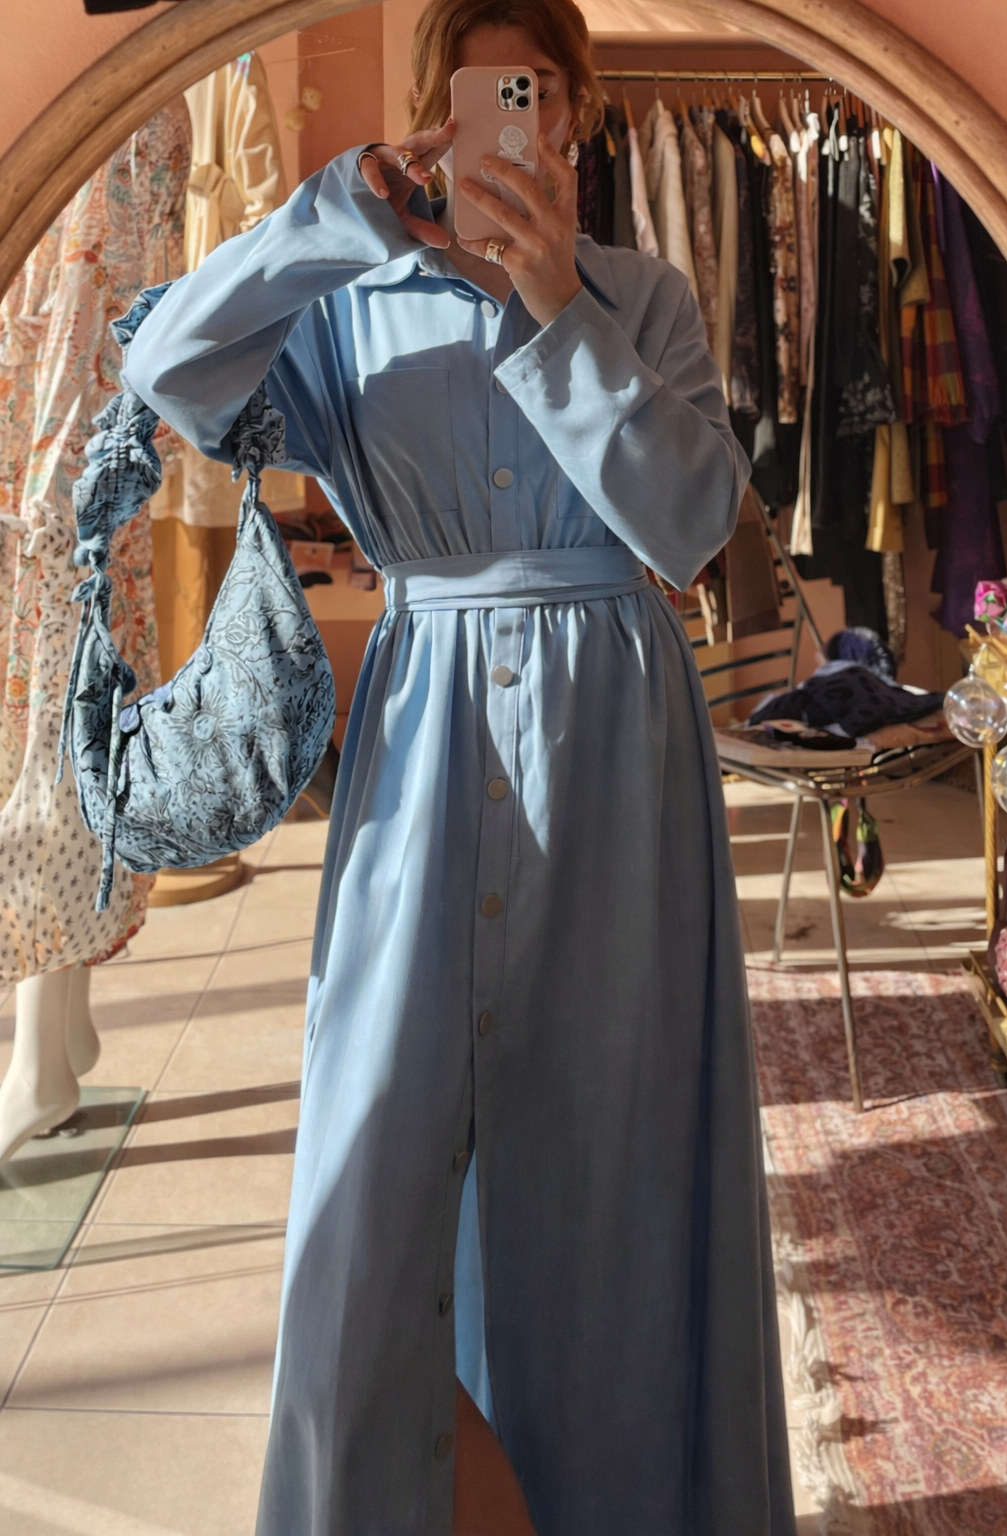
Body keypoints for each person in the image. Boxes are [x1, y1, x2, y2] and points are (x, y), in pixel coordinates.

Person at [124, 2, 795, 1532]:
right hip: (422, 743)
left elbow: (691, 523)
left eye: (539, 90)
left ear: (578, 113)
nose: (516, 119)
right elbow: (169, 370)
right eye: (487, 93)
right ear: (439, 111)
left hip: (617, 749)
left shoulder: (644, 296)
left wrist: (557, 303)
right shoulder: (352, 301)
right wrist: (334, 217)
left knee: (609, 1172)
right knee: (376, 1178)